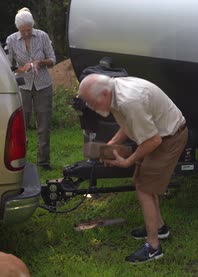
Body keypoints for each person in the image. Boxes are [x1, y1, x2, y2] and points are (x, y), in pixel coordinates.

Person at [78, 74, 188, 264]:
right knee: (142, 183)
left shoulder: (129, 100)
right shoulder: (115, 92)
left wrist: (128, 161)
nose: (90, 107)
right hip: (158, 135)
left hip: (169, 138)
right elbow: (128, 124)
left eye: (91, 102)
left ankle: (153, 247)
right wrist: (111, 146)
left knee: (145, 188)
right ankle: (159, 228)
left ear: (104, 93)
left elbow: (153, 140)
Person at [6, 7, 56, 171]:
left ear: (32, 26)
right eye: (23, 30)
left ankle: (44, 161)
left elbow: (53, 60)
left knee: (44, 124)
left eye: (28, 29)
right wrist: (21, 69)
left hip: (43, 85)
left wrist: (39, 63)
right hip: (23, 86)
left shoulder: (42, 36)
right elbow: (8, 65)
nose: (26, 33)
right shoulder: (11, 40)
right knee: (21, 125)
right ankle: (21, 161)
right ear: (18, 28)